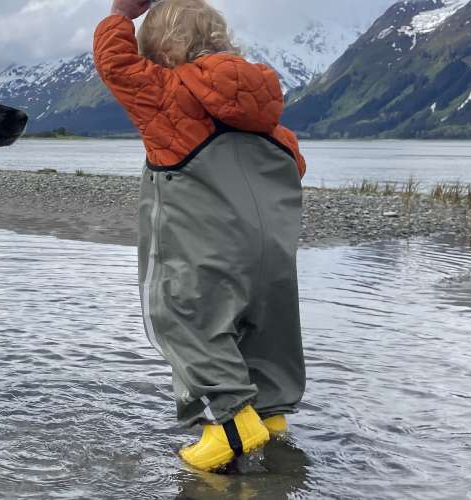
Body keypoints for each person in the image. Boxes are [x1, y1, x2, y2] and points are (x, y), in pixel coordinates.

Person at [93, 0, 308, 472]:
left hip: (207, 252)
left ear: (167, 52)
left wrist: (120, 14)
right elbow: (294, 168)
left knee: (185, 321)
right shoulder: (272, 121)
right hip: (273, 260)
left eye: (152, 54)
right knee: (265, 335)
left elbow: (115, 65)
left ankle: (230, 425)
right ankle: (270, 419)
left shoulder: (168, 95)